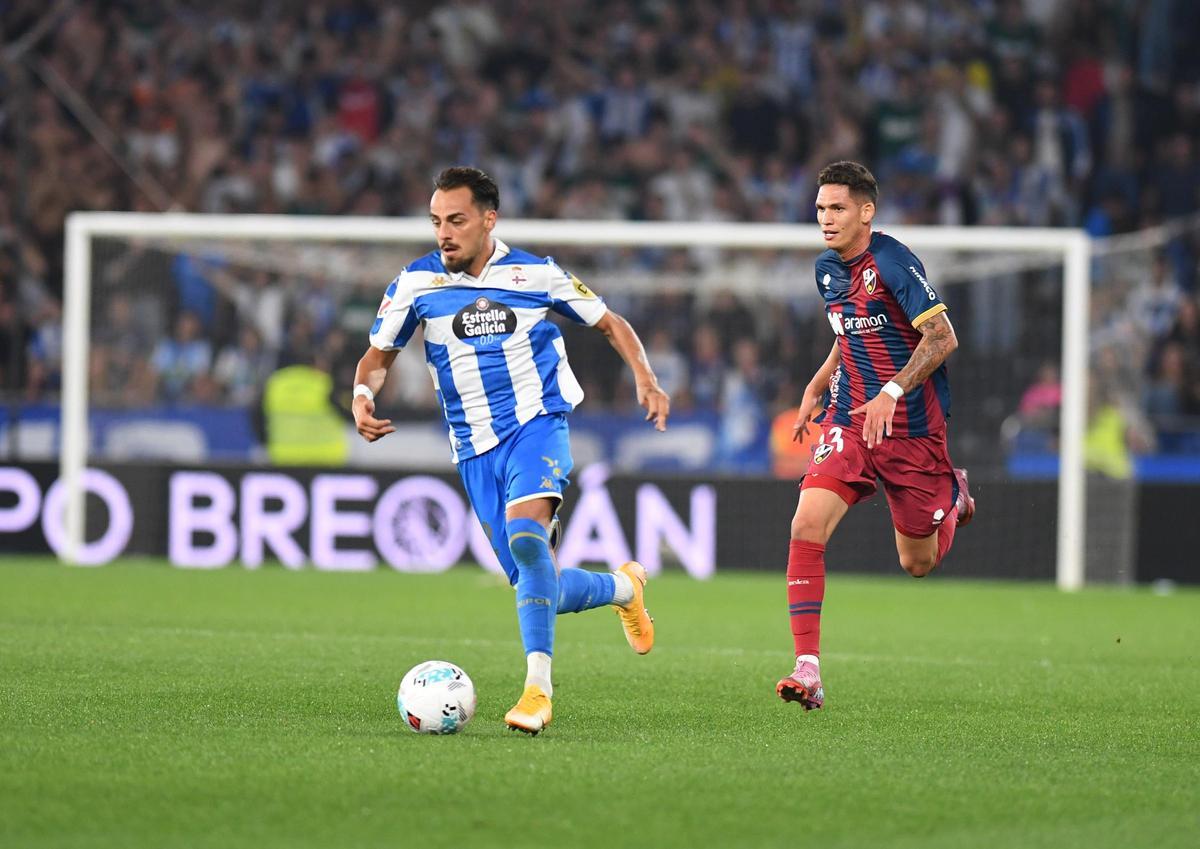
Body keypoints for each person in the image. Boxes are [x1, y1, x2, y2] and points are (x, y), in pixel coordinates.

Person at [352, 166, 669, 734]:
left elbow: (610, 322)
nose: (443, 233)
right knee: (534, 578)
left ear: (487, 219)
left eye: (456, 220)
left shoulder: (535, 275)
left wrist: (644, 378)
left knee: (527, 538)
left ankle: (537, 692)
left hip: (537, 424)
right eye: (435, 222)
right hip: (473, 448)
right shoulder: (415, 284)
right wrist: (360, 396)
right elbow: (377, 358)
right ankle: (624, 587)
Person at [776, 161, 975, 710]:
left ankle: (953, 496)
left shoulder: (891, 261)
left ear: (866, 211)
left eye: (837, 208)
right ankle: (808, 668)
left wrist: (890, 391)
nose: (825, 218)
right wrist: (817, 385)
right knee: (806, 524)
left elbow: (941, 338)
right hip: (851, 419)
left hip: (910, 429)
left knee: (917, 563)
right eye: (820, 208)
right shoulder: (825, 269)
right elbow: (850, 331)